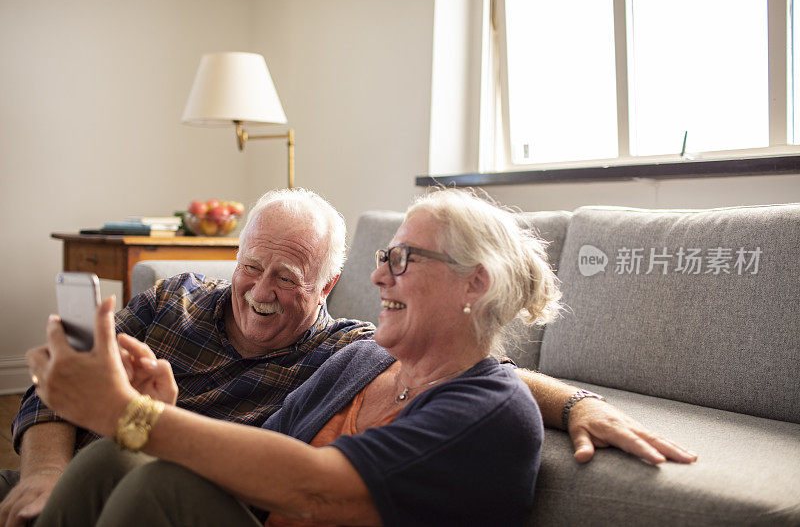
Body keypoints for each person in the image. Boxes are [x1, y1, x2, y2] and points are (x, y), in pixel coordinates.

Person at [0, 189, 696, 525]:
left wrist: (132, 412)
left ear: (473, 284)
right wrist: (153, 417)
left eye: (404, 259)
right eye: (384, 257)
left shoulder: (490, 410)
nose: (382, 275)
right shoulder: (362, 362)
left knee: (154, 484)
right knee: (109, 458)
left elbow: (312, 484)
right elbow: (256, 465)